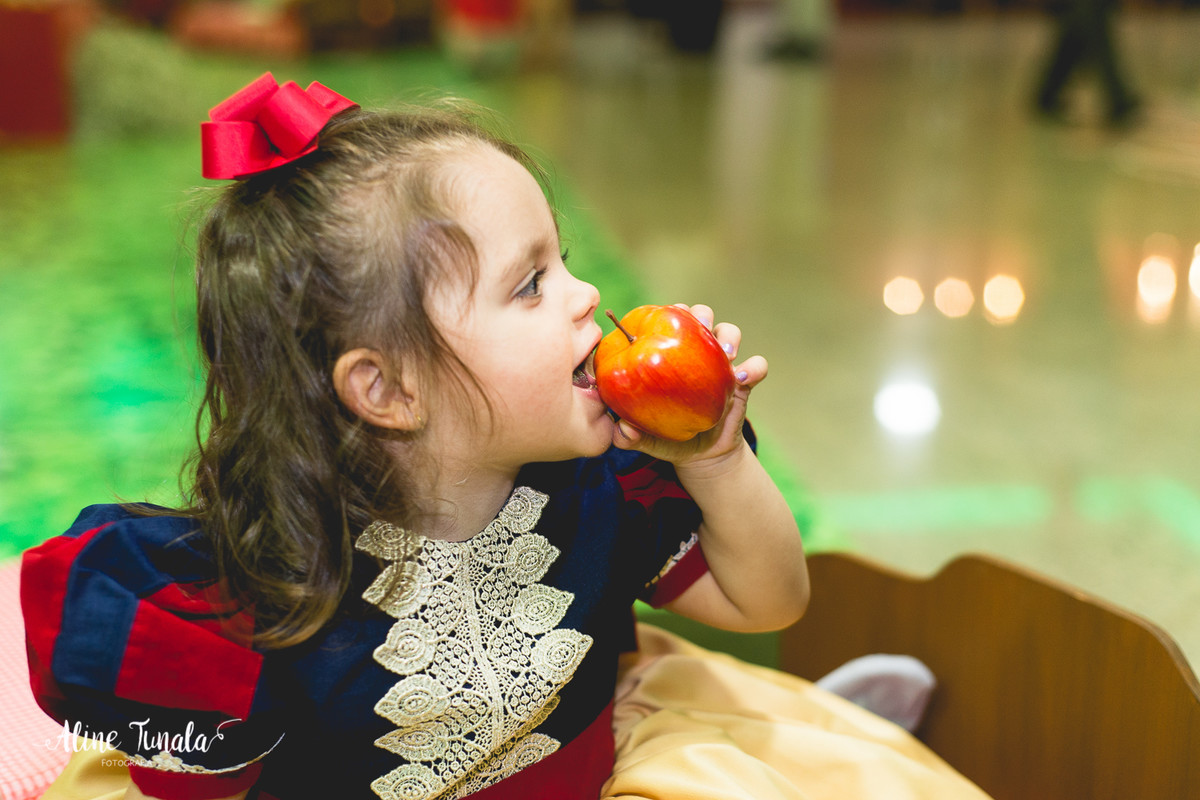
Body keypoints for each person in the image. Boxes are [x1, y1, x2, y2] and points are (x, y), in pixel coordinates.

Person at [21, 73, 990, 800]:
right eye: (531, 284)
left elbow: (770, 594)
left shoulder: (600, 489)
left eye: (562, 258)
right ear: (387, 388)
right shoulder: (264, 590)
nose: (589, 297)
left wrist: (714, 454)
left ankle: (818, 722)